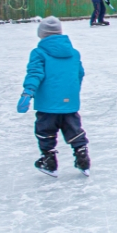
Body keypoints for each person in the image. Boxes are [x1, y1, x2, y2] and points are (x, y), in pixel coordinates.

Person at [16, 16, 89, 177]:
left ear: (42, 34)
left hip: (47, 104)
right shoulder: (74, 53)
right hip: (70, 101)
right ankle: (82, 156)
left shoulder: (39, 53)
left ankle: (49, 160)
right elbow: (80, 74)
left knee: (45, 130)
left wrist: (27, 93)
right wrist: (71, 92)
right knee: (73, 128)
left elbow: (35, 74)